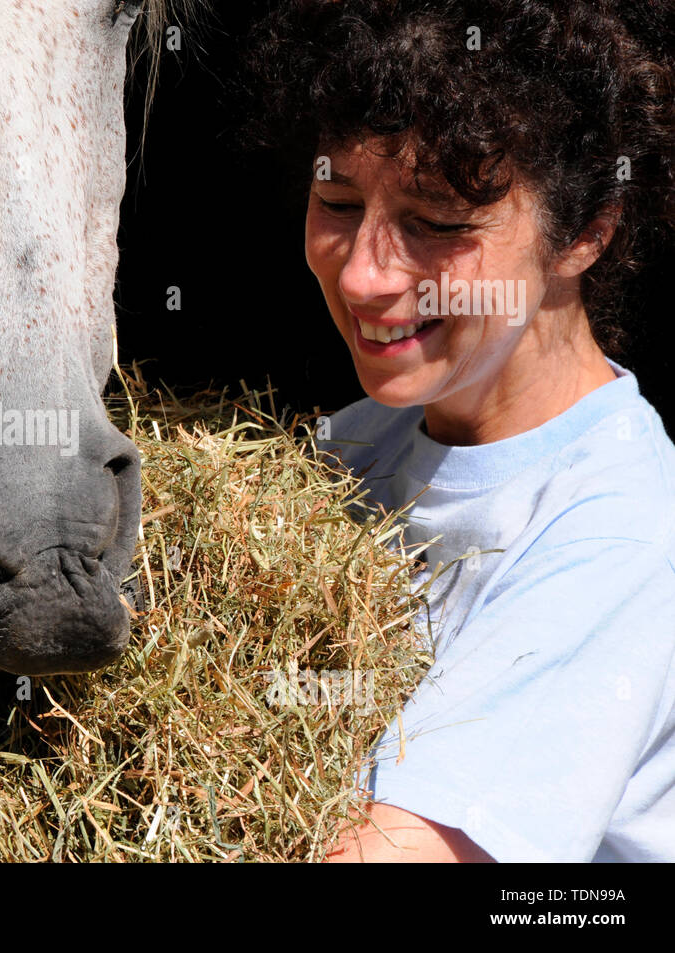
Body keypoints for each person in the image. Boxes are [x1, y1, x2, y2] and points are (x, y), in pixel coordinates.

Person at [243, 0, 675, 861]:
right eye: (336, 200)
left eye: (436, 224)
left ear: (585, 233)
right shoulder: (347, 454)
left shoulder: (624, 531)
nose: (365, 275)